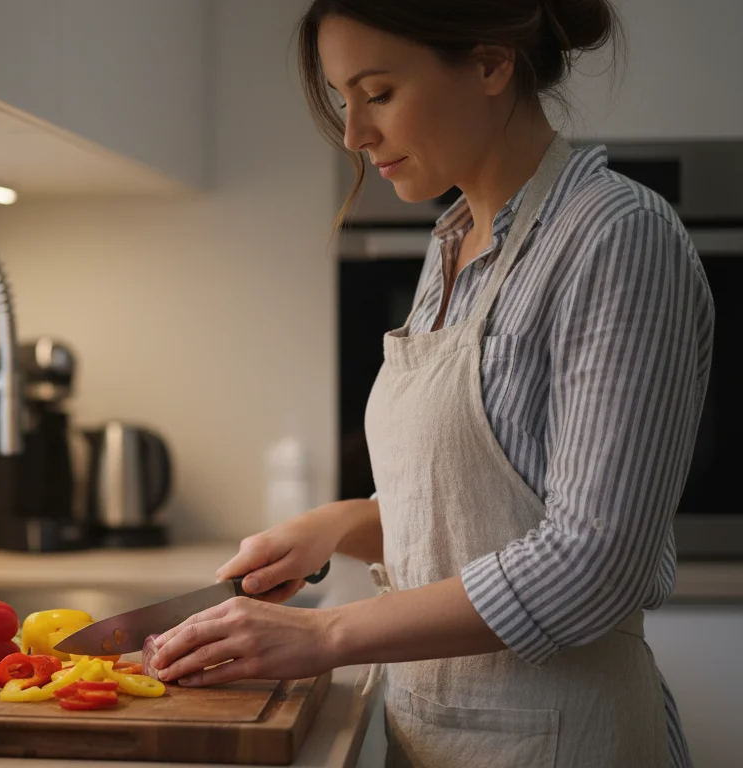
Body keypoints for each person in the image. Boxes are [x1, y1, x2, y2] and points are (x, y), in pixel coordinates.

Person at [146, 2, 714, 766]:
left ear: (489, 64)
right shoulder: (449, 247)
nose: (354, 135)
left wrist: (325, 634)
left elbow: (592, 560)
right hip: (437, 738)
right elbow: (480, 513)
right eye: (344, 99)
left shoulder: (615, 237)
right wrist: (340, 523)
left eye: (377, 94)